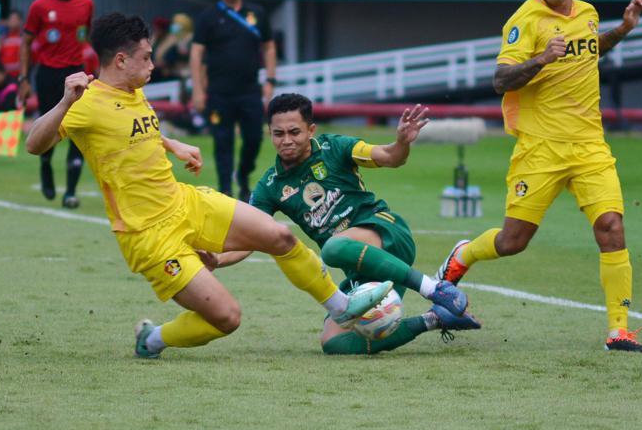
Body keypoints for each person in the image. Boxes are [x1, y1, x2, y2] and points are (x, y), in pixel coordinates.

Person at [24, 12, 392, 359]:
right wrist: (63, 103)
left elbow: (130, 131)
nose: (153, 65)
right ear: (121, 60)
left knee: (279, 238)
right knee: (228, 318)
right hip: (149, 235)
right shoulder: (86, 102)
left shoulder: (134, 90)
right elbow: (34, 144)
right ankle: (152, 339)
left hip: (185, 203)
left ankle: (342, 309)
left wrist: (172, 144)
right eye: (147, 57)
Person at [434, 0, 642, 353]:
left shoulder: (588, 13)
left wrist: (623, 29)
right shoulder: (525, 21)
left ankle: (619, 330)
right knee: (512, 242)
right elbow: (500, 79)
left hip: (590, 146)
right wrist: (541, 58)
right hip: (540, 148)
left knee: (611, 228)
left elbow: (589, 47)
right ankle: (464, 254)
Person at [202, 94, 480, 355]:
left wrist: (402, 143)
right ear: (269, 134)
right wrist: (216, 259)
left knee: (332, 248)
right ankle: (436, 319)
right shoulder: (270, 186)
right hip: (361, 265)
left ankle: (435, 288)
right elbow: (251, 237)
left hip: (386, 233)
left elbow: (389, 157)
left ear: (311, 130)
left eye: (294, 132)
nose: (286, 140)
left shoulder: (335, 147)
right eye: (278, 134)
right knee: (334, 343)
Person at [190, 0, 277, 201]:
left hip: (249, 90)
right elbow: (196, 54)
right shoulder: (208, 17)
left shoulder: (256, 13)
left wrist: (270, 80)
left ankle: (244, 175)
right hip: (219, 92)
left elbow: (269, 47)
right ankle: (226, 187)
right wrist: (198, 90)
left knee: (254, 138)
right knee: (222, 140)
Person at [18, 0, 95, 210]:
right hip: (48, 75)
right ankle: (45, 162)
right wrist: (23, 78)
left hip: (76, 73)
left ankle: (71, 192)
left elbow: (90, 39)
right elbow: (26, 43)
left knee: (78, 130)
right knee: (51, 127)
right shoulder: (39, 7)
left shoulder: (86, 4)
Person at [0, 9, 24, 79]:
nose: (13, 21)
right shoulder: (3, 38)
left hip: (21, 76)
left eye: (15, 19)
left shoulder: (24, 38)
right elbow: (0, 56)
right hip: (6, 77)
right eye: (11, 19)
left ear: (20, 22)